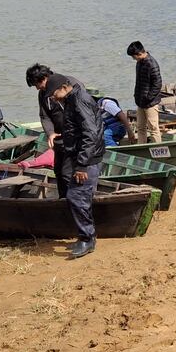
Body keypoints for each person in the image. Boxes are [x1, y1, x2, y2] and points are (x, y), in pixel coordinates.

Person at [45, 74, 104, 259]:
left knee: (76, 196)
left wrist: (81, 165)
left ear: (64, 87)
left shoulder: (79, 100)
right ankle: (87, 237)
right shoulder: (73, 99)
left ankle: (87, 238)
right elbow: (78, 129)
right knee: (80, 196)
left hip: (88, 159)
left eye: (53, 93)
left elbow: (90, 133)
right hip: (83, 156)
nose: (52, 98)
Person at [25, 64, 83, 199]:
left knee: (68, 173)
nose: (37, 88)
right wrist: (50, 133)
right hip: (59, 137)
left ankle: (75, 201)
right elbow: (44, 116)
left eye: (37, 83)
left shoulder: (70, 84)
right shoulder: (42, 94)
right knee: (58, 171)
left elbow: (83, 111)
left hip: (75, 137)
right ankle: (64, 199)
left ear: (45, 78)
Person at [127, 41, 162, 144]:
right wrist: (137, 96)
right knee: (140, 128)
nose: (133, 59)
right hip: (140, 102)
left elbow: (158, 84)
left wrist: (148, 97)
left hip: (150, 103)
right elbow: (138, 82)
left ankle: (159, 152)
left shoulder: (152, 64)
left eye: (133, 56)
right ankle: (142, 147)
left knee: (153, 129)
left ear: (139, 54)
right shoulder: (139, 63)